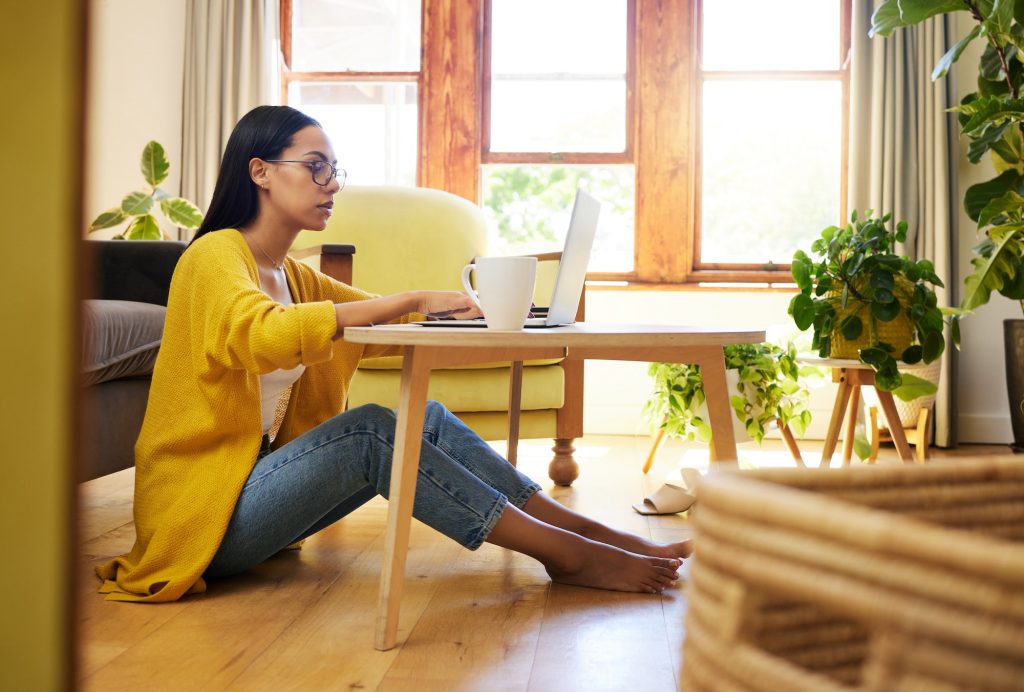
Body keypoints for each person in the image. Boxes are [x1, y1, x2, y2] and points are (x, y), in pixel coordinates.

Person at [97, 105, 691, 603]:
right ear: (260, 172)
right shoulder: (213, 258)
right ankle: (571, 555)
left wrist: (455, 307)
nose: (332, 182)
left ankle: (587, 533)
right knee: (373, 433)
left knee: (425, 422)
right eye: (315, 167)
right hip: (198, 521)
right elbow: (264, 335)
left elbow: (372, 322)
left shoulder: (291, 274)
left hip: (250, 497)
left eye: (335, 170)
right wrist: (407, 298)